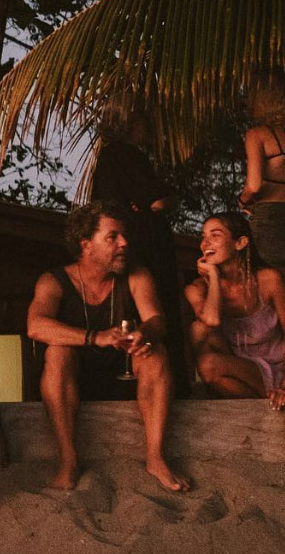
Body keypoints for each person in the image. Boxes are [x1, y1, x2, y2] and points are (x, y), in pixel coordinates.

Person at [26, 201, 190, 493]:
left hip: (124, 377)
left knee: (155, 353)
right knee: (57, 353)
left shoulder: (136, 275)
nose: (124, 243)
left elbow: (157, 321)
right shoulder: (54, 281)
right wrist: (95, 337)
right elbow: (36, 326)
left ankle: (155, 458)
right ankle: (68, 461)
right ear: (86, 245)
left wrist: (143, 333)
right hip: (74, 382)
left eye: (124, 236)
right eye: (112, 237)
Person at [90, 99, 188, 390]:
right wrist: (162, 201)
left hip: (132, 245)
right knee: (156, 307)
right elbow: (156, 200)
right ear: (131, 123)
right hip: (145, 247)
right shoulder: (126, 155)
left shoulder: (108, 159)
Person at [185, 211, 285, 410]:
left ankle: (273, 400)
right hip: (240, 371)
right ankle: (266, 406)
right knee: (199, 333)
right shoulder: (197, 289)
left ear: (240, 243)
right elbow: (211, 320)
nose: (205, 243)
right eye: (203, 236)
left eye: (215, 235)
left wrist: (284, 386)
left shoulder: (268, 280)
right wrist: (213, 277)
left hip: (279, 368)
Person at [240, 74, 285, 271]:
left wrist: (243, 201)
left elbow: (254, 184)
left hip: (269, 217)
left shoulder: (257, 135)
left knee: (269, 278)